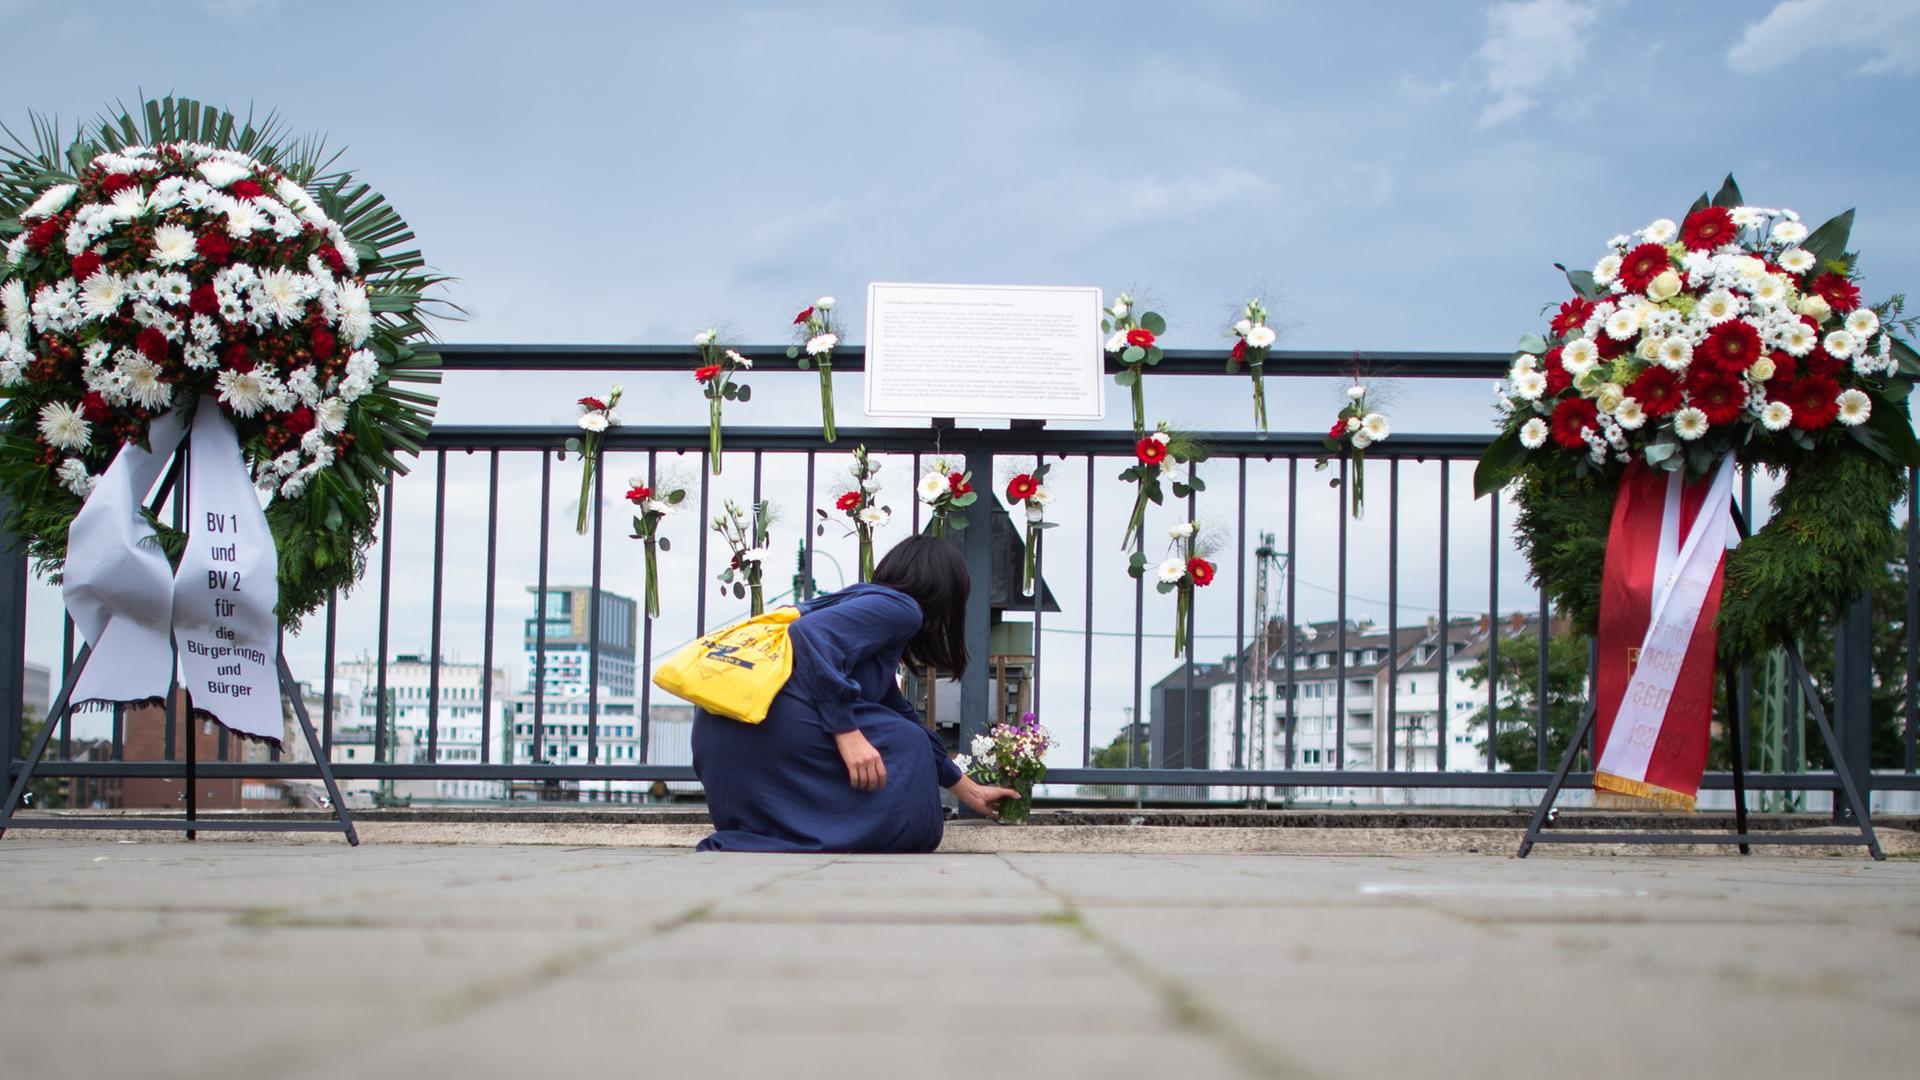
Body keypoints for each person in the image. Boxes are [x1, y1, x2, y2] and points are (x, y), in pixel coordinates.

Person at [691, 535, 1020, 852]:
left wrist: (968, 789)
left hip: (727, 733)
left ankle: (785, 829)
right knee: (908, 746)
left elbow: (902, 715)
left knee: (908, 735)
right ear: (946, 593)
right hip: (761, 724)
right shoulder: (903, 608)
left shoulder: (858, 607)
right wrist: (847, 733)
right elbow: (809, 635)